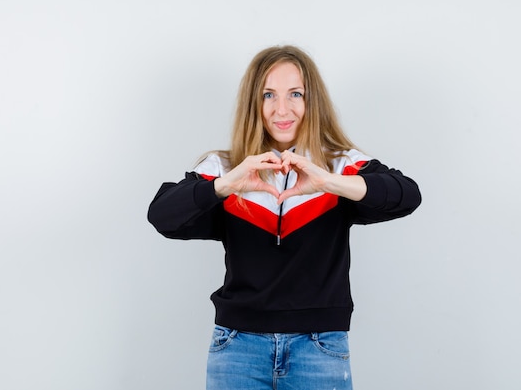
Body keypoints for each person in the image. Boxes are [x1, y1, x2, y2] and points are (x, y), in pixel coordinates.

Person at [147, 45, 421, 390]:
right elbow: (162, 215)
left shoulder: (340, 165)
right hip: (237, 347)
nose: (282, 109)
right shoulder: (225, 169)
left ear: (312, 100)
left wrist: (327, 182)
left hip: (319, 347)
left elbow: (407, 194)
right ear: (254, 103)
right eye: (268, 95)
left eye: (295, 94)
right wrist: (227, 184)